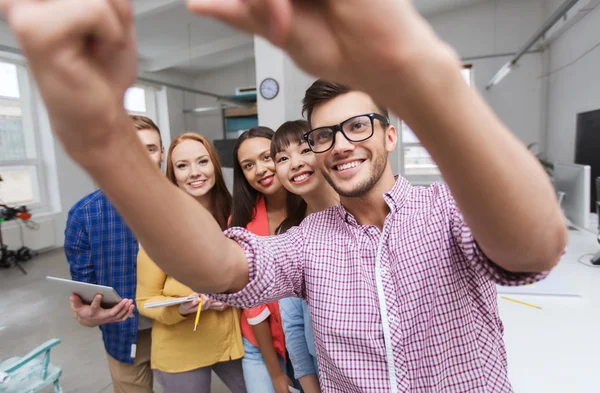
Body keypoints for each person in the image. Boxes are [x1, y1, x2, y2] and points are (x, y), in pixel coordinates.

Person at [3, 1, 568, 392]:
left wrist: (424, 76)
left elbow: (533, 248)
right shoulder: (307, 242)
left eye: (359, 127)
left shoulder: (446, 210)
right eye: (324, 135)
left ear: (391, 135)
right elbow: (222, 268)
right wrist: (106, 147)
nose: (340, 146)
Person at [136, 133, 247, 393]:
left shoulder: (237, 214)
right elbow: (145, 300)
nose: (194, 173)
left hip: (235, 343)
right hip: (181, 350)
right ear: (173, 174)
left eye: (202, 162)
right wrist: (180, 310)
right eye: (182, 166)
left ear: (215, 167)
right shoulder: (159, 227)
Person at [64, 115, 164, 393]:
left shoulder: (183, 203)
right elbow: (86, 295)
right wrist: (85, 315)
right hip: (124, 336)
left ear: (162, 153)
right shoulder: (85, 215)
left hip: (179, 327)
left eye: (151, 149)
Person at [230, 127, 302, 393]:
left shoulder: (312, 207)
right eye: (249, 165)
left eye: (266, 157)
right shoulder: (241, 222)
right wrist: (275, 373)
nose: (259, 170)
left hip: (309, 342)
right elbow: (253, 305)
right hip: (260, 345)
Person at [272, 120, 340, 393]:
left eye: (304, 150)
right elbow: (293, 323)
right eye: (283, 158)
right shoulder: (288, 235)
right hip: (322, 373)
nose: (295, 163)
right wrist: (310, 386)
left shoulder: (364, 214)